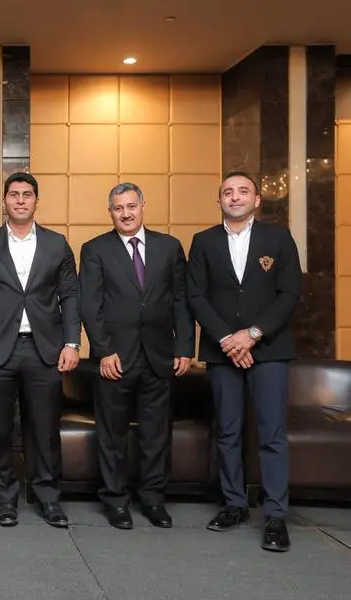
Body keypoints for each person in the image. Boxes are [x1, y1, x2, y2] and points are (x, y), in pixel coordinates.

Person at [186, 171, 301, 552]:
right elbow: (196, 296)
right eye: (227, 192)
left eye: (243, 191)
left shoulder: (278, 238)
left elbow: (290, 294)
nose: (235, 197)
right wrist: (226, 339)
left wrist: (251, 335)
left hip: (269, 349)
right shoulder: (204, 241)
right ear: (218, 200)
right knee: (228, 430)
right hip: (222, 351)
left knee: (272, 433)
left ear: (257, 199)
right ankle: (234, 504)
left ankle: (275, 515)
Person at [0, 172, 80, 528]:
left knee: (45, 430)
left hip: (45, 348)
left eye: (27, 195)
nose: (20, 200)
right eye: (14, 195)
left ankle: (48, 498)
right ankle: (5, 500)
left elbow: (70, 295)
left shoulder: (57, 244)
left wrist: (72, 342)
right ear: (5, 201)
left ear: (36, 201)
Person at [79, 182, 195, 530]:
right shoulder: (95, 249)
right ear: (110, 212)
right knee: (112, 434)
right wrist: (103, 350)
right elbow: (91, 305)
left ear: (143, 206)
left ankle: (153, 499)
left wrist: (184, 347)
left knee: (156, 434)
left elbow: (181, 300)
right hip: (115, 357)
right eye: (119, 208)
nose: (126, 214)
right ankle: (116, 501)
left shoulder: (169, 247)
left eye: (131, 206)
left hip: (160, 355)